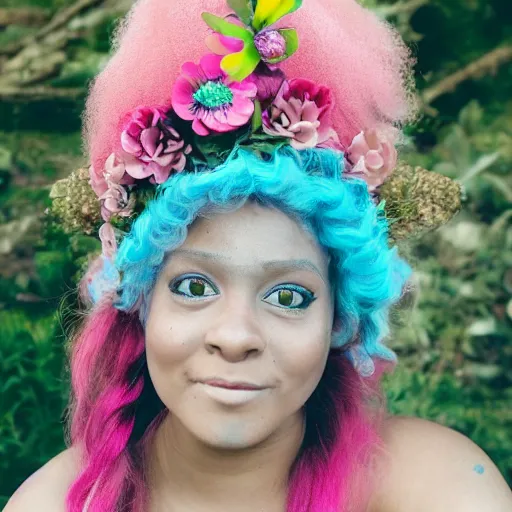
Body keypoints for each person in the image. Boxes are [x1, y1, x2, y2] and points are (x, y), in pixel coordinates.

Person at [5, 0, 512, 511]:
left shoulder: (440, 488)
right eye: (194, 287)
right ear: (139, 301)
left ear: (339, 318)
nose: (235, 337)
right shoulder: (53, 504)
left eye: (288, 296)